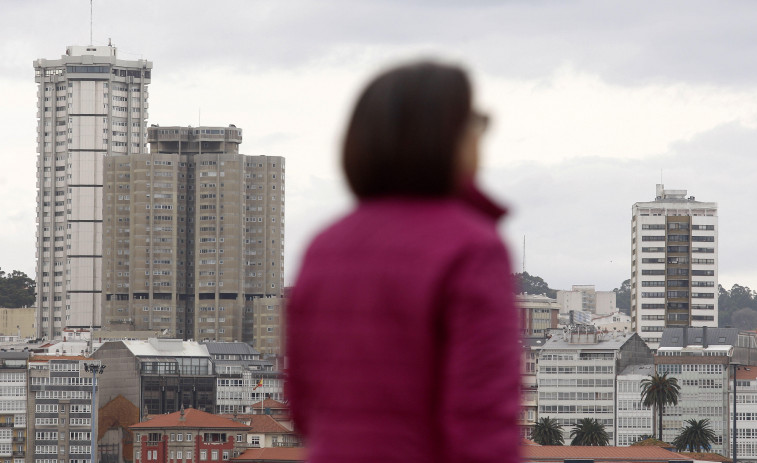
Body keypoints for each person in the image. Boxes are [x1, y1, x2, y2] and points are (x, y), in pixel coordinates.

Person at [286, 61, 521, 463]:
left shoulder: (324, 246)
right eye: (476, 122)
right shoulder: (472, 247)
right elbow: (482, 418)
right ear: (447, 138)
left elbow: (302, 407)